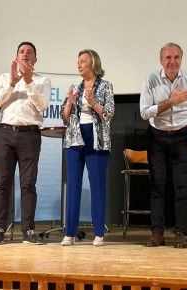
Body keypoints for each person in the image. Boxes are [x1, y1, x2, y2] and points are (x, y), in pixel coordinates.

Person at [139, 42, 187, 248]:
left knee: (182, 186)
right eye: (168, 58)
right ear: (161, 60)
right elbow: (144, 113)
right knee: (157, 186)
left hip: (183, 136)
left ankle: (180, 232)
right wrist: (170, 102)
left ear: (181, 59)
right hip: (157, 136)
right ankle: (157, 232)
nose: (172, 61)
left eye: (176, 57)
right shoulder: (151, 80)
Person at [0, 41, 50, 245]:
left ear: (35, 59)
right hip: (5, 133)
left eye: (29, 52)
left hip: (29, 135)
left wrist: (28, 81)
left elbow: (42, 105)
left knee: (28, 185)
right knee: (2, 184)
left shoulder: (42, 81)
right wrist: (13, 83)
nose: (25, 55)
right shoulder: (4, 78)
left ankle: (28, 230)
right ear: (16, 58)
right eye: (22, 52)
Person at [60, 49, 114, 246]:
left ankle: (99, 233)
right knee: (73, 186)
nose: (79, 64)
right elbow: (64, 117)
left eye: (83, 61)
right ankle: (70, 233)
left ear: (93, 64)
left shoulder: (106, 86)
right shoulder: (75, 87)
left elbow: (109, 114)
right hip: (74, 138)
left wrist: (94, 104)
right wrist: (70, 104)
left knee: (97, 186)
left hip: (97, 139)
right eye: (78, 61)